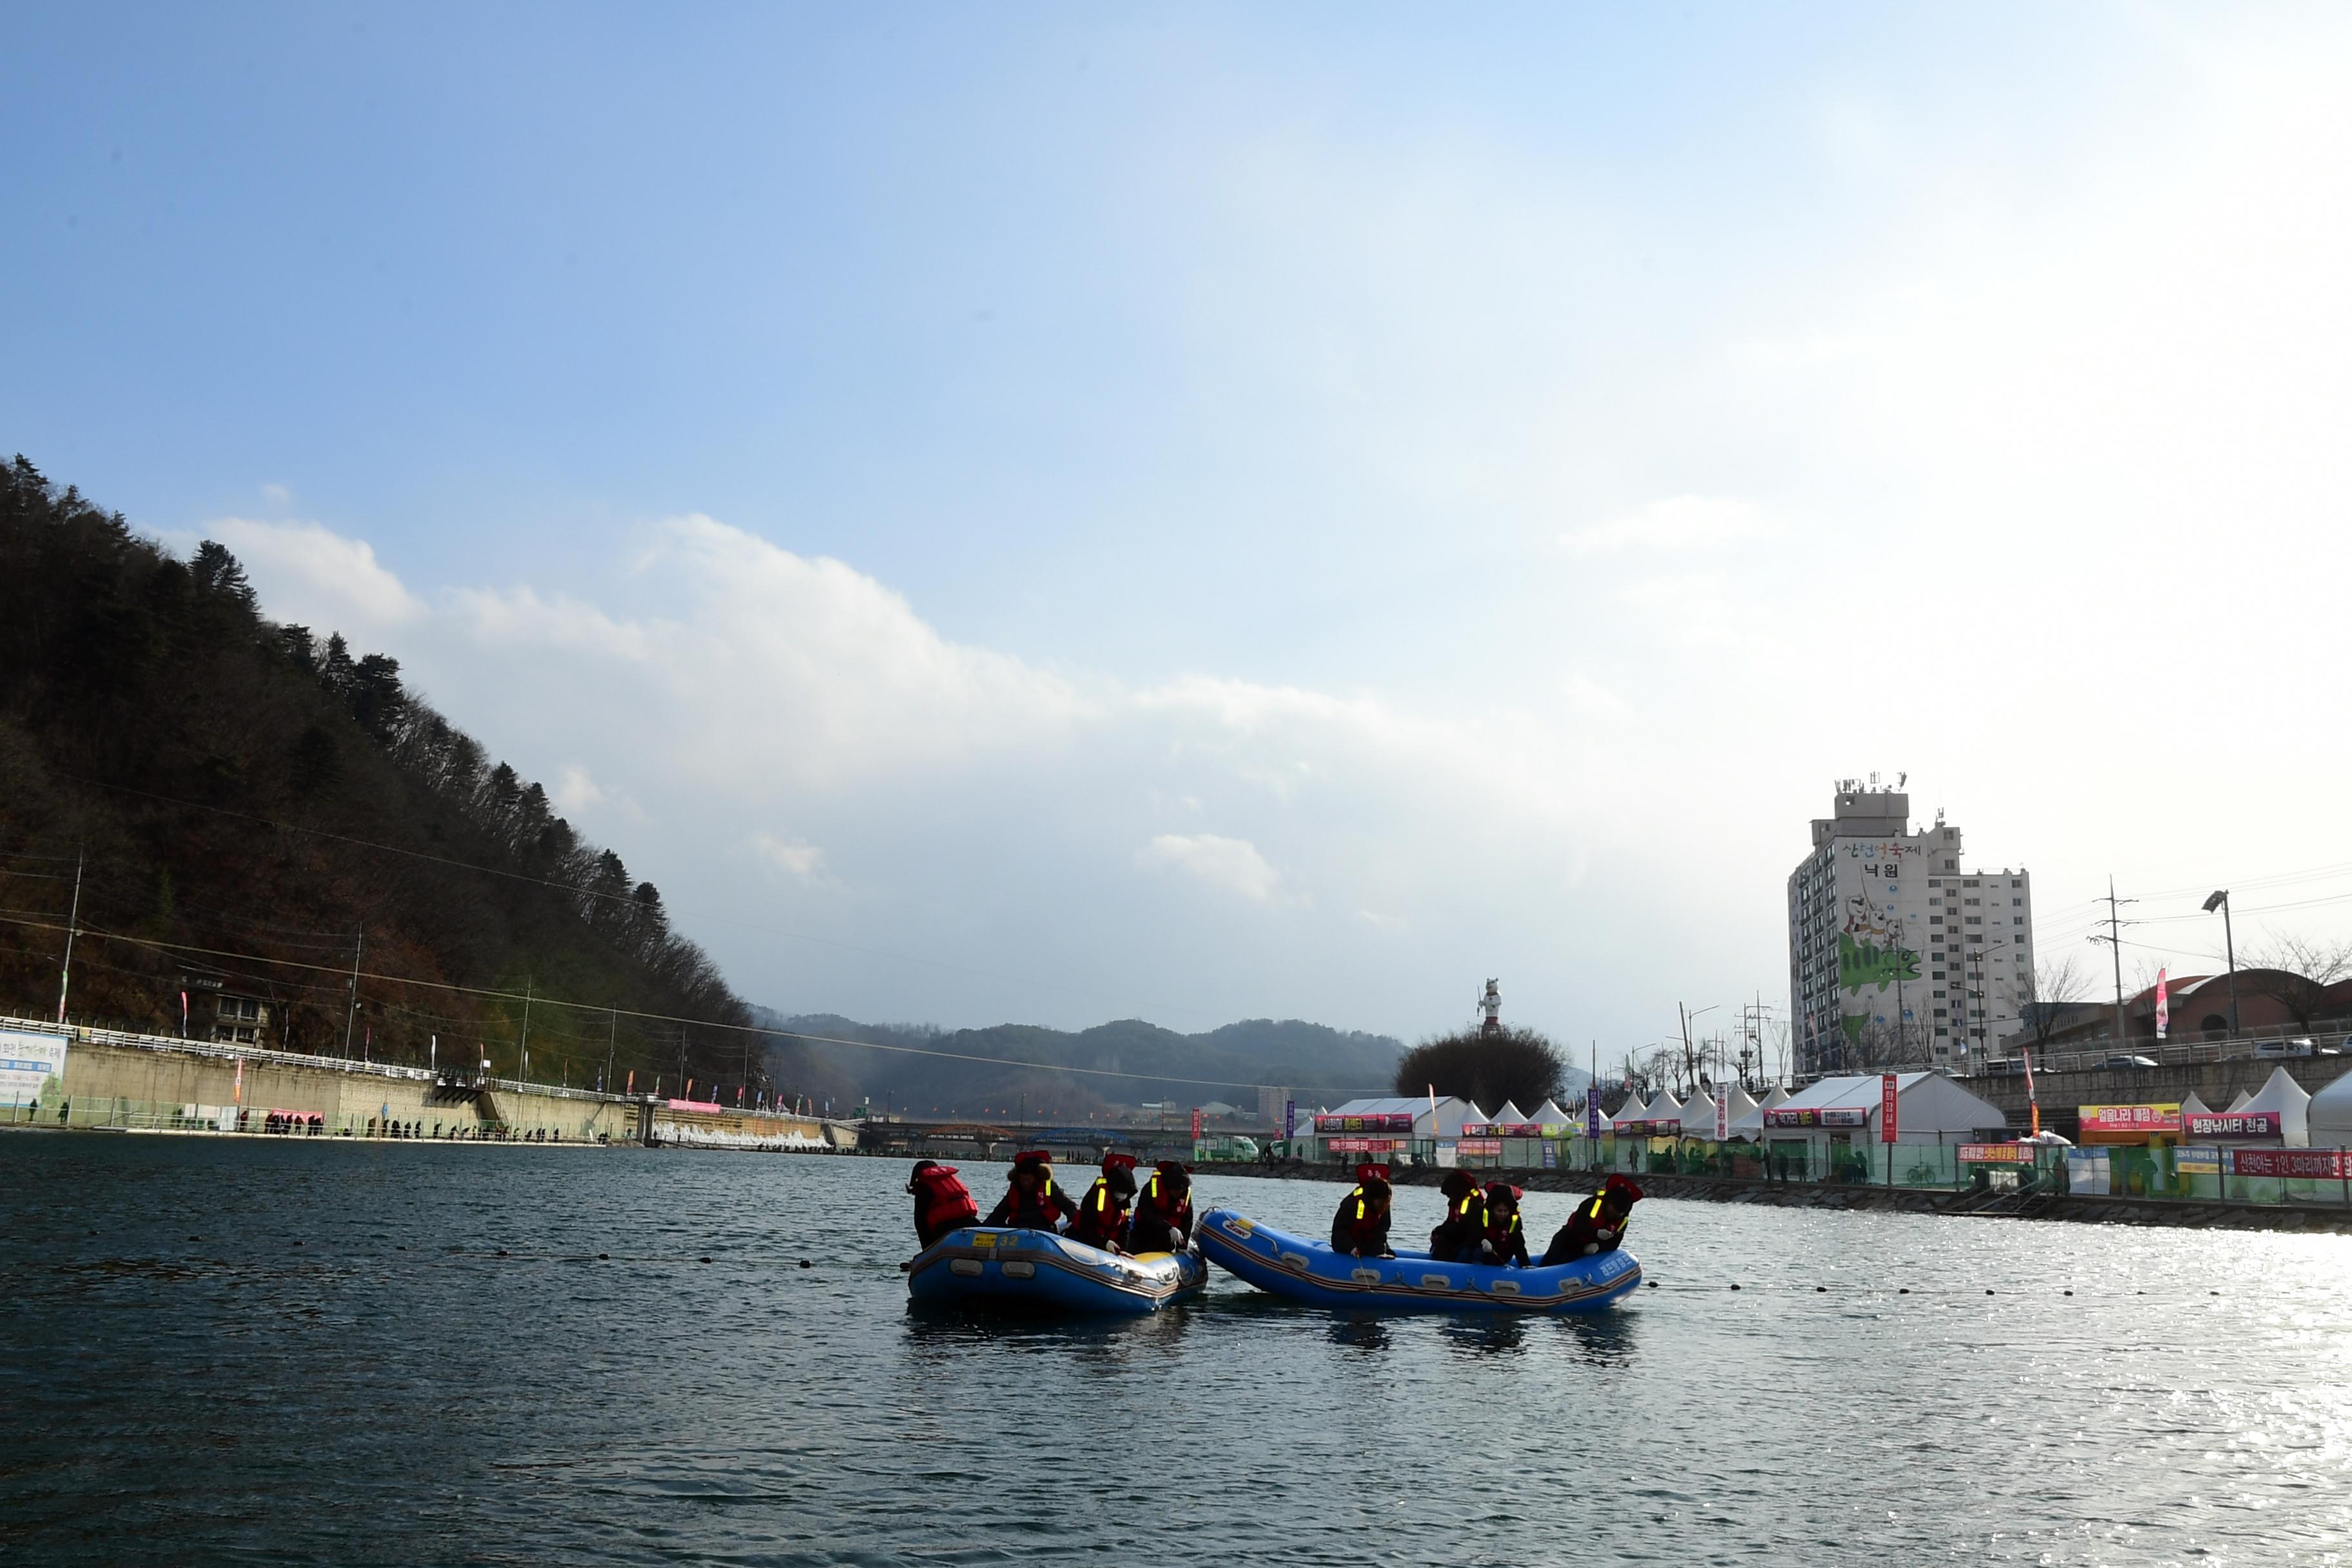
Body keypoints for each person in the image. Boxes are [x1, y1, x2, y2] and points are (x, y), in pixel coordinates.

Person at [1541, 1174, 1643, 1266]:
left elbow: (1614, 1243)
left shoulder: (1622, 1220)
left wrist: (1599, 1247)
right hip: (1568, 1238)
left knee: (1569, 1260)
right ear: (1609, 1202)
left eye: (1618, 1213)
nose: (1613, 1215)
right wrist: (1596, 1233)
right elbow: (1577, 1226)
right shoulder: (1591, 1204)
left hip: (1587, 1249)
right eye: (1613, 1210)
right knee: (1553, 1258)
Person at [983, 1150, 1079, 1231]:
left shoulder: (1049, 1188)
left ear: (1036, 1178)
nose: (1025, 1183)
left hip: (1043, 1230)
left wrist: (1072, 1225)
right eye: (1023, 1180)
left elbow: (1069, 1207)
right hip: (1016, 1230)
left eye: (1028, 1180)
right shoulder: (1015, 1190)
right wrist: (982, 1229)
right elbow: (998, 1214)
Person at [1068, 1153, 1139, 1252]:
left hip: (1107, 1246)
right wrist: (1104, 1243)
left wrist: (1122, 1250)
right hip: (1081, 1241)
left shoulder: (1125, 1203)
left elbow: (1124, 1229)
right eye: (1120, 1193)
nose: (1122, 1196)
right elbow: (1086, 1227)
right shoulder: (1096, 1196)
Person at [1125, 1160, 1195, 1253]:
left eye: (1181, 1190)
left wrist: (1182, 1246)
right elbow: (1146, 1214)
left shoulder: (1185, 1195)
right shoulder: (1151, 1189)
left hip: (1166, 1243)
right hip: (1143, 1238)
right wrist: (1168, 1227)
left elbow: (1187, 1222)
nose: (1179, 1193)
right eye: (1176, 1190)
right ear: (1168, 1187)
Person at [908, 1159, 979, 1250]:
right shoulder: (953, 1183)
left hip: (947, 1234)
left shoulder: (923, 1189)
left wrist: (925, 1253)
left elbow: (921, 1225)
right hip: (974, 1228)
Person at [1329, 1164, 1395, 1258]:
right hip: (1347, 1243)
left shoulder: (1384, 1207)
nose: (1383, 1205)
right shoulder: (1352, 1203)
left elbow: (1381, 1231)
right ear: (1373, 1198)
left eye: (1385, 1202)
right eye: (1380, 1201)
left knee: (1388, 1252)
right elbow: (1339, 1230)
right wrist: (1351, 1247)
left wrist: (1380, 1252)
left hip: (1368, 1242)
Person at [1428, 1169, 1488, 1262]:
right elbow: (1451, 1221)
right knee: (1439, 1241)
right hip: (1459, 1237)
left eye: (1450, 1195)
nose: (1449, 1197)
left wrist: (1442, 1231)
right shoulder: (1456, 1201)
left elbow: (1465, 1228)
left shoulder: (1475, 1204)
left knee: (1463, 1253)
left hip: (1471, 1241)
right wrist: (1437, 1231)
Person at [1475, 1182, 1531, 1268]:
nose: (1503, 1214)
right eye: (1499, 1211)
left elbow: (1519, 1245)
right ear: (1493, 1210)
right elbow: (1474, 1233)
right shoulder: (1482, 1217)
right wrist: (1483, 1240)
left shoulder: (1514, 1222)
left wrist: (1525, 1264)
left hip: (1502, 1256)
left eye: (1505, 1211)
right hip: (1482, 1252)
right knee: (1475, 1252)